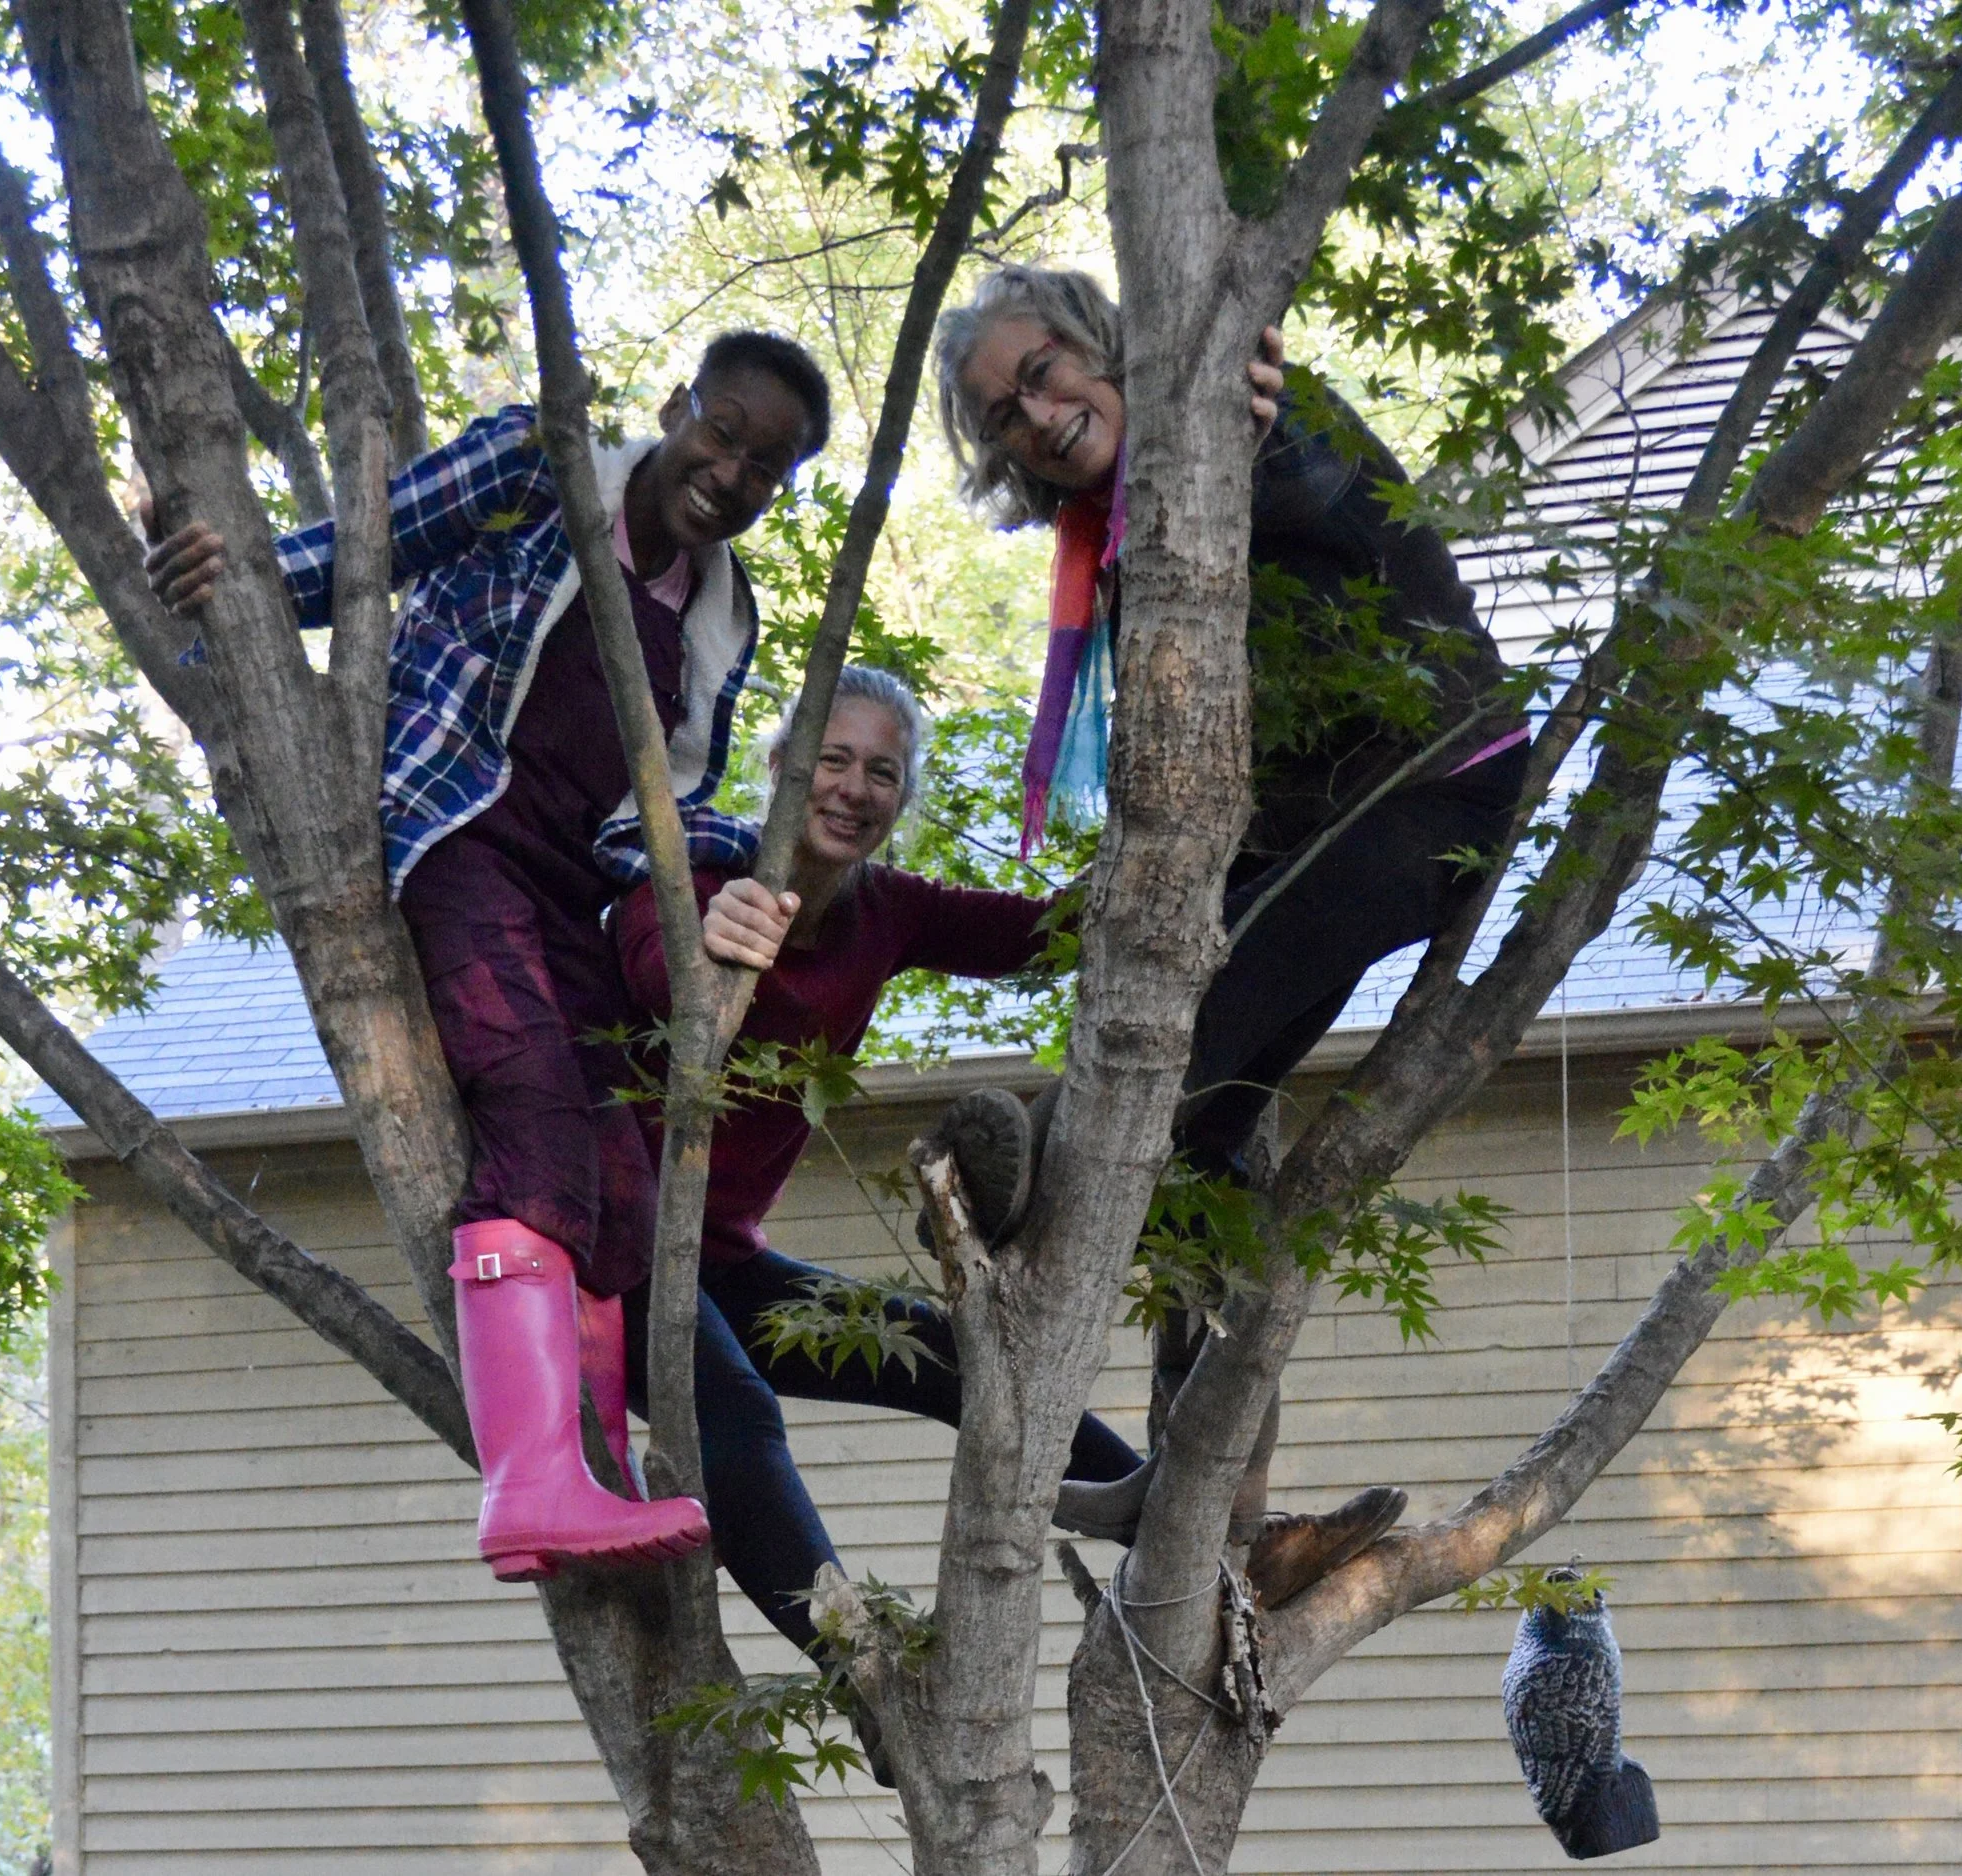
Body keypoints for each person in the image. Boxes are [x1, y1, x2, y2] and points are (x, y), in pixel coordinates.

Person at [144, 332, 832, 1584]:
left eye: (765, 466)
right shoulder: (538, 464)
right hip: (453, 839)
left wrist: (763, 858)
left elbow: (663, 809)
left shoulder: (720, 617)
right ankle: (529, 1486)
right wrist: (225, 578)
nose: (730, 472)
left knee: (623, 1170)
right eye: (722, 431)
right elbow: (369, 550)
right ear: (675, 407)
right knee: (532, 1103)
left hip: (570, 892)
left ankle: (597, 1474)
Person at [925, 266, 1530, 1581]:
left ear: (1103, 349)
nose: (1035, 415)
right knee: (1201, 1142)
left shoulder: (1229, 427)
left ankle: (1040, 1141)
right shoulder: (1119, 539)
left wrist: (1236, 409)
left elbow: (1311, 498)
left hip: (1430, 786)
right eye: (1003, 414)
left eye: (1043, 372)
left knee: (1173, 1052)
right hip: (1310, 825)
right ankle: (1224, 1499)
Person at [611, 666, 1144, 1706]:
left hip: (724, 1259)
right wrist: (711, 941)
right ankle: (862, 1674)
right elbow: (644, 959)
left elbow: (1039, 935)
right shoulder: (689, 881)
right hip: (613, 1247)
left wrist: (1180, 858)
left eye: (883, 773)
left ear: (903, 798)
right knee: (737, 1411)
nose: (854, 788)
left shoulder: (883, 910)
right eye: (831, 762)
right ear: (778, 770)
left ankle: (1152, 1509)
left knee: (946, 1349)